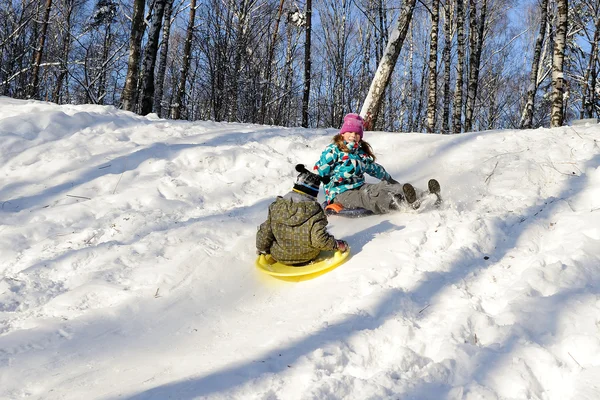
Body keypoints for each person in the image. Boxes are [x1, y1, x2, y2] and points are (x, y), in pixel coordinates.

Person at [314, 113, 441, 214]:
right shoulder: (333, 150)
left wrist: (389, 180)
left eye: (357, 133)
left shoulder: (360, 153)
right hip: (340, 193)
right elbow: (322, 169)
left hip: (359, 185)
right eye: (350, 132)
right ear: (343, 133)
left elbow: (373, 168)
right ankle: (402, 203)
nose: (353, 135)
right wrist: (334, 176)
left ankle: (426, 195)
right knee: (368, 197)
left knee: (383, 186)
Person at [256, 164, 349, 265]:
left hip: (279, 256)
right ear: (314, 193)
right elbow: (319, 240)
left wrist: (262, 249)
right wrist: (336, 244)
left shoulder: (276, 208)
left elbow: (265, 232)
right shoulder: (315, 213)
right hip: (307, 256)